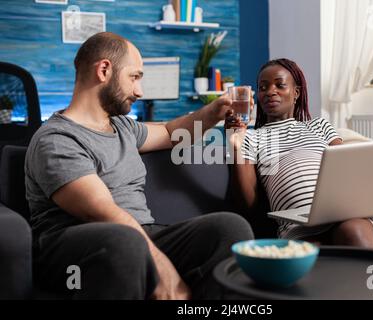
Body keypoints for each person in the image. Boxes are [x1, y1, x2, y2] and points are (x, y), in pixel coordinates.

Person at [25, 32, 254, 300]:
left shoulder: (122, 126)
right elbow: (103, 212)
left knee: (228, 228)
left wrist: (213, 111)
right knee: (125, 242)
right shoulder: (57, 139)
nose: (139, 91)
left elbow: (170, 133)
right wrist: (162, 267)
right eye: (134, 77)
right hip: (73, 255)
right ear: (104, 70)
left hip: (137, 235)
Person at [226, 58, 373, 249]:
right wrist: (235, 144)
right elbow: (247, 202)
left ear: (296, 93)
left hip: (343, 212)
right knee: (311, 256)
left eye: (280, 85)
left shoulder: (319, 126)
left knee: (353, 233)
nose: (270, 92)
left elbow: (347, 168)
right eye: (263, 87)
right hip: (298, 226)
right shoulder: (251, 138)